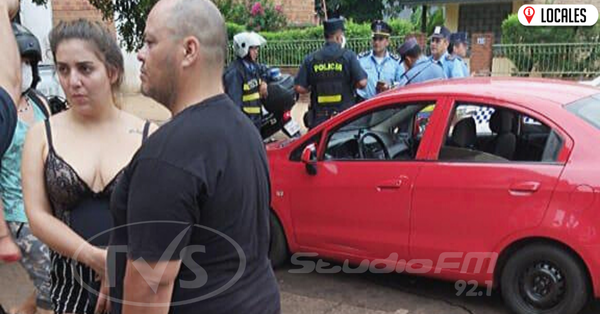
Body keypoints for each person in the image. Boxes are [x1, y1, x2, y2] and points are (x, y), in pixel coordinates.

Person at [106, 0, 280, 314]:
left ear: (189, 51)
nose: (140, 54)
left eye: (150, 42)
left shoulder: (168, 154)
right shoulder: (245, 130)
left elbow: (149, 289)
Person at [21, 19, 155, 314]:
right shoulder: (42, 136)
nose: (72, 81)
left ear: (112, 71)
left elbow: (161, 219)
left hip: (136, 286)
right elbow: (37, 216)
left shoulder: (149, 136)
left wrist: (116, 264)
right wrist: (95, 258)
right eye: (63, 69)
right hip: (69, 287)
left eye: (85, 68)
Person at [0, 23, 53, 314]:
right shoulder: (2, 114)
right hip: (18, 217)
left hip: (48, 211)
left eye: (28, 63)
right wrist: (4, 236)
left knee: (50, 285)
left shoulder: (40, 103)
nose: (22, 69)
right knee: (51, 286)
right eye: (17, 62)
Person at [295, 17, 367, 129]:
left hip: (319, 119)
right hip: (344, 117)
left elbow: (299, 87)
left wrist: (313, 87)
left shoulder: (311, 59)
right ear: (339, 36)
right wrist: (351, 86)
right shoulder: (348, 56)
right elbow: (362, 82)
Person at [223, 31, 269, 129]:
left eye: (257, 48)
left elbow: (265, 70)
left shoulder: (254, 67)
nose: (256, 52)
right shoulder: (235, 73)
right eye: (253, 48)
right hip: (245, 122)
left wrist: (264, 81)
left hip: (256, 119)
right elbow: (235, 104)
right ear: (244, 49)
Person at [356, 20, 404, 101]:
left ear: (387, 42)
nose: (377, 42)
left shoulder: (396, 62)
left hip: (387, 105)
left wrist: (390, 87)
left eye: (380, 39)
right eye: (374, 39)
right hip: (365, 105)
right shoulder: (361, 59)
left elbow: (402, 85)